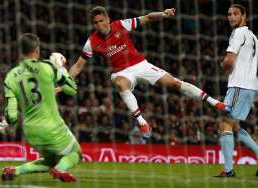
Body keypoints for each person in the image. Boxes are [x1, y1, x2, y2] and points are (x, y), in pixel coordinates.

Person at [69, 6, 229, 138]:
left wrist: (164, 14)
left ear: (108, 19)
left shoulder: (121, 25)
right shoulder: (91, 41)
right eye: (95, 23)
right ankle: (142, 123)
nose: (99, 25)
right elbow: (78, 65)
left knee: (173, 83)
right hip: (121, 73)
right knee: (120, 83)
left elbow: (147, 17)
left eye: (101, 21)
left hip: (140, 65)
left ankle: (215, 102)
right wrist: (65, 79)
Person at [0, 33, 82, 182]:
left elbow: (11, 116)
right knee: (76, 153)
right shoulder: (47, 67)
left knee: (51, 159)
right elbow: (71, 89)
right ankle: (59, 169)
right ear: (37, 50)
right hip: (52, 128)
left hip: (30, 133)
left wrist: (9, 125)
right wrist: (61, 67)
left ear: (20, 51)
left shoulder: (10, 77)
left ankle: (15, 171)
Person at [215, 4, 258, 178]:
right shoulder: (254, 37)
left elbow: (230, 59)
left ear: (244, 15)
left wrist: (224, 66)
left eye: (235, 13)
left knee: (225, 124)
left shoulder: (238, 33)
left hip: (239, 86)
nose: (231, 17)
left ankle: (228, 169)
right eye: (229, 14)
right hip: (251, 86)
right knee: (235, 125)